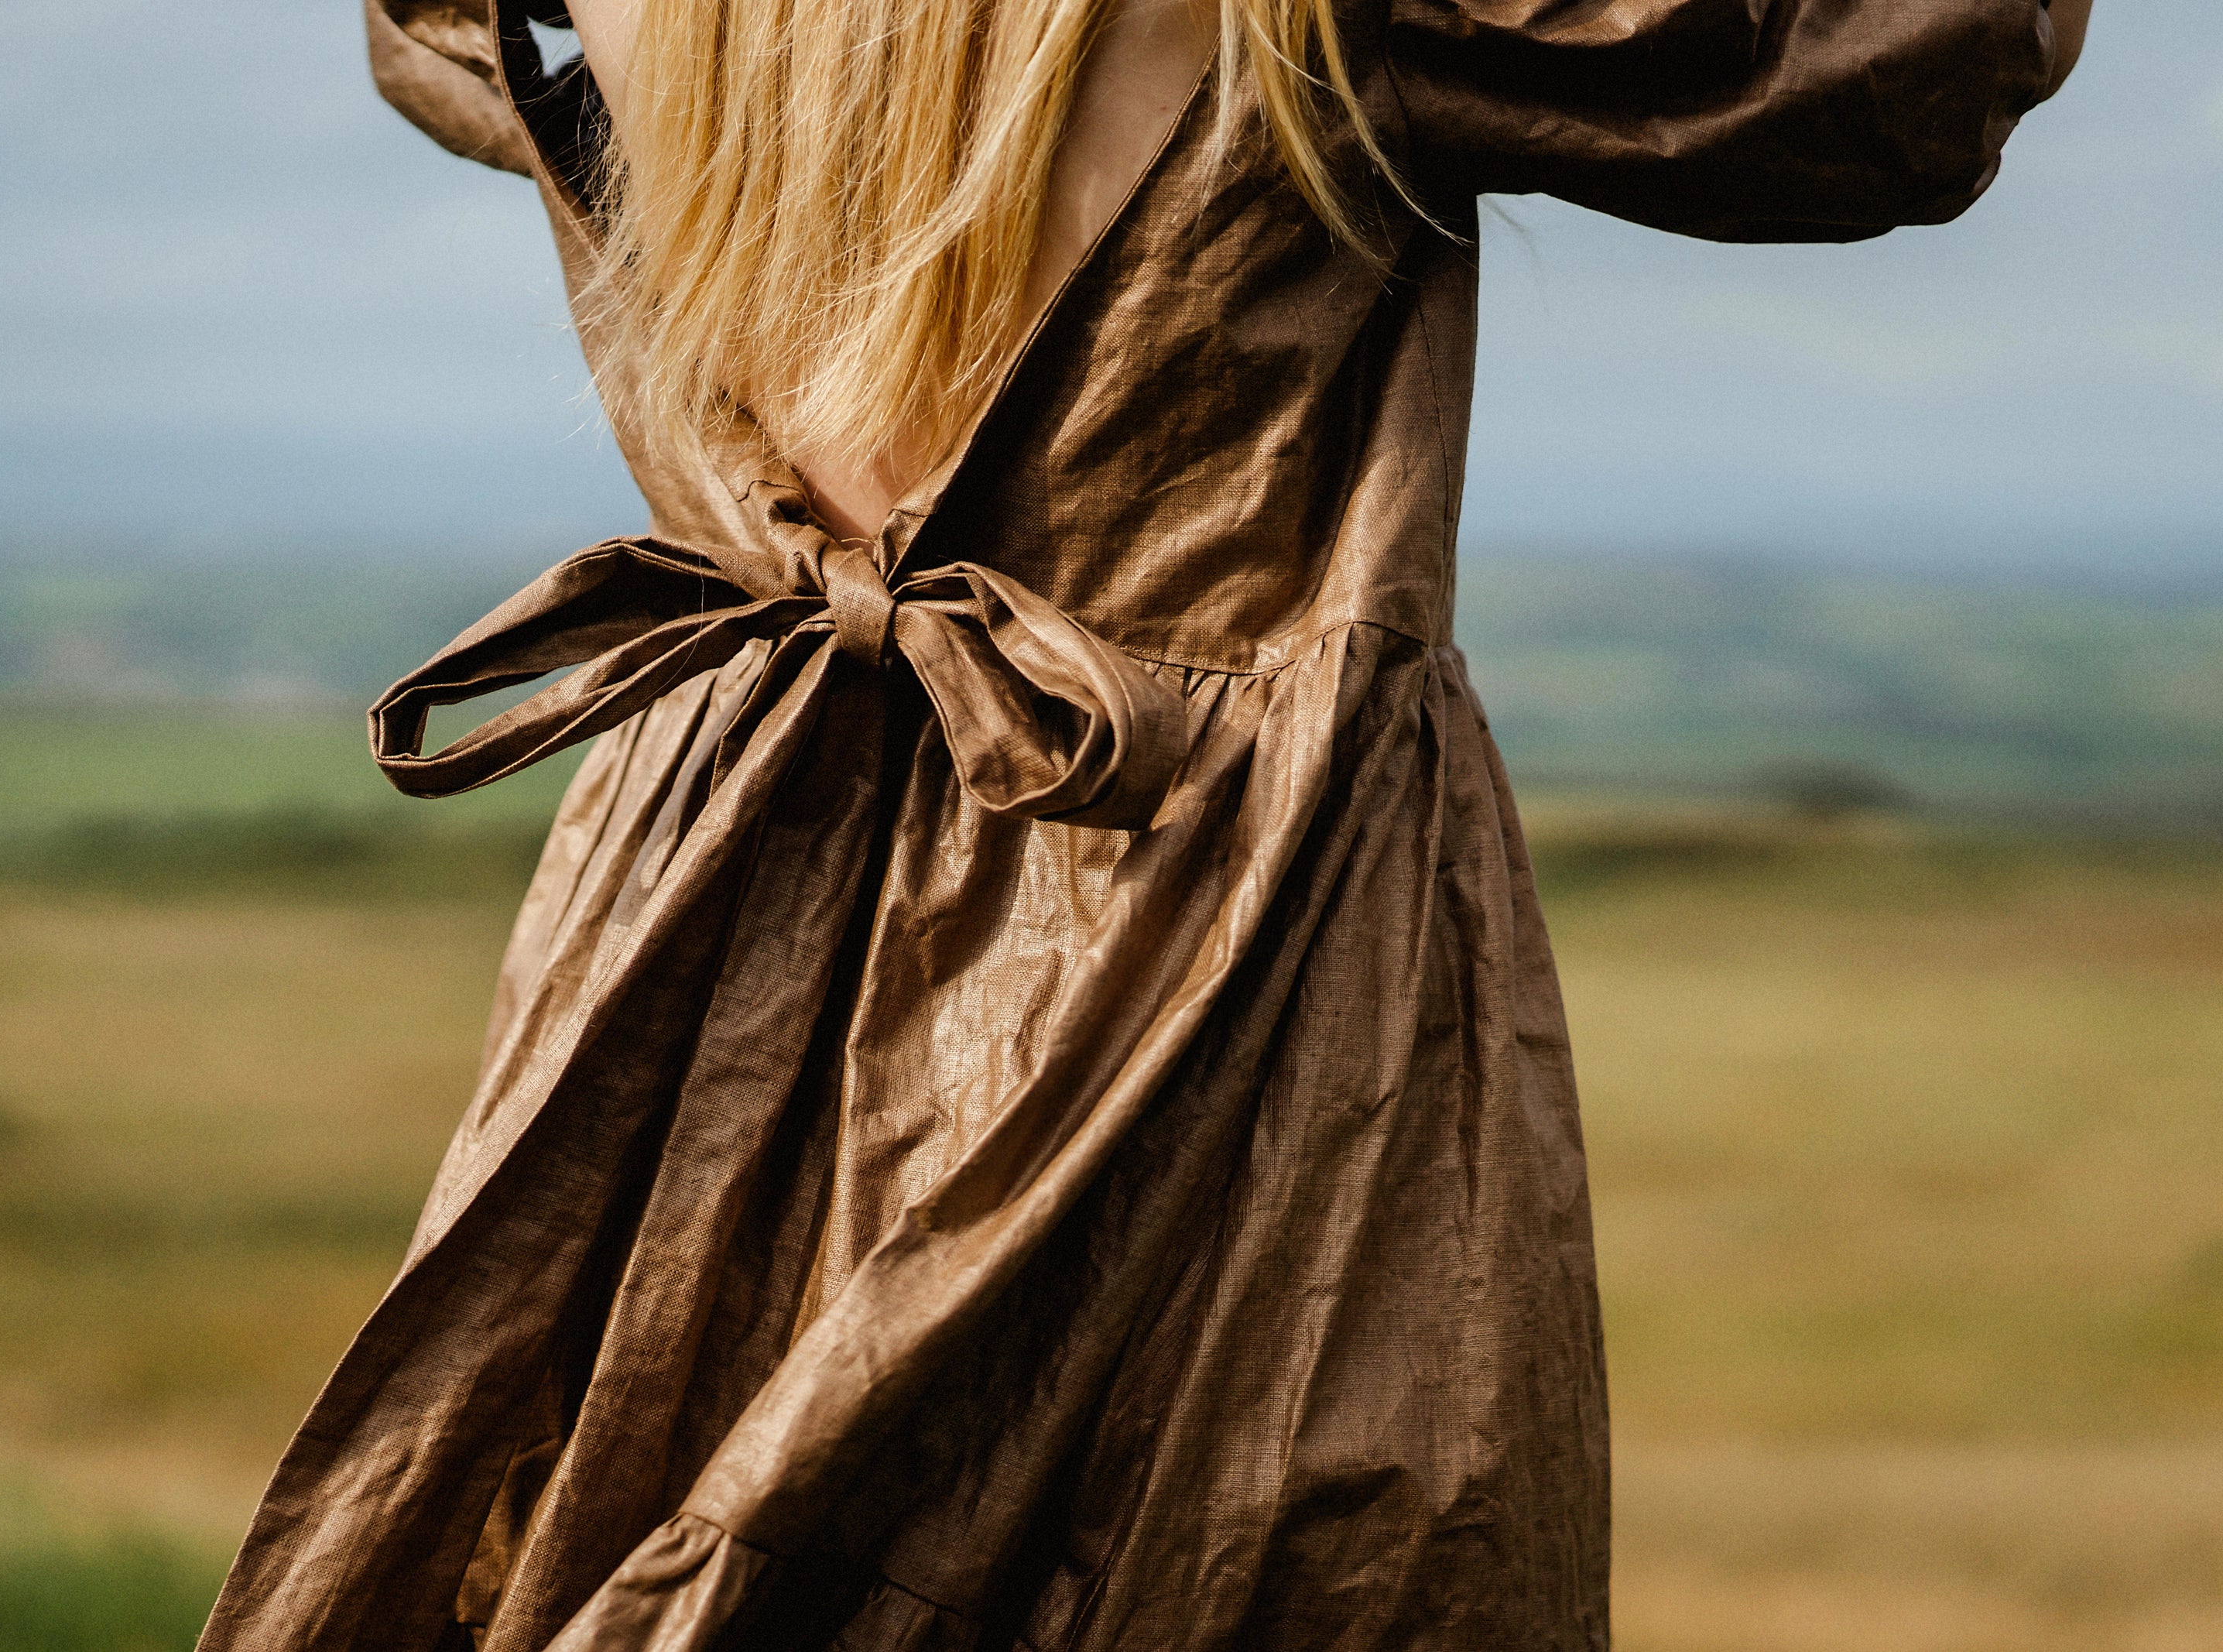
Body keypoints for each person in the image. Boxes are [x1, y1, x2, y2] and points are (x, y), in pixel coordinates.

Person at [200, 0, 2091, 1646]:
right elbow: (1897, 68)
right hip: (1203, 889)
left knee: (610, 1496)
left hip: (712, 860)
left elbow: (447, 63)